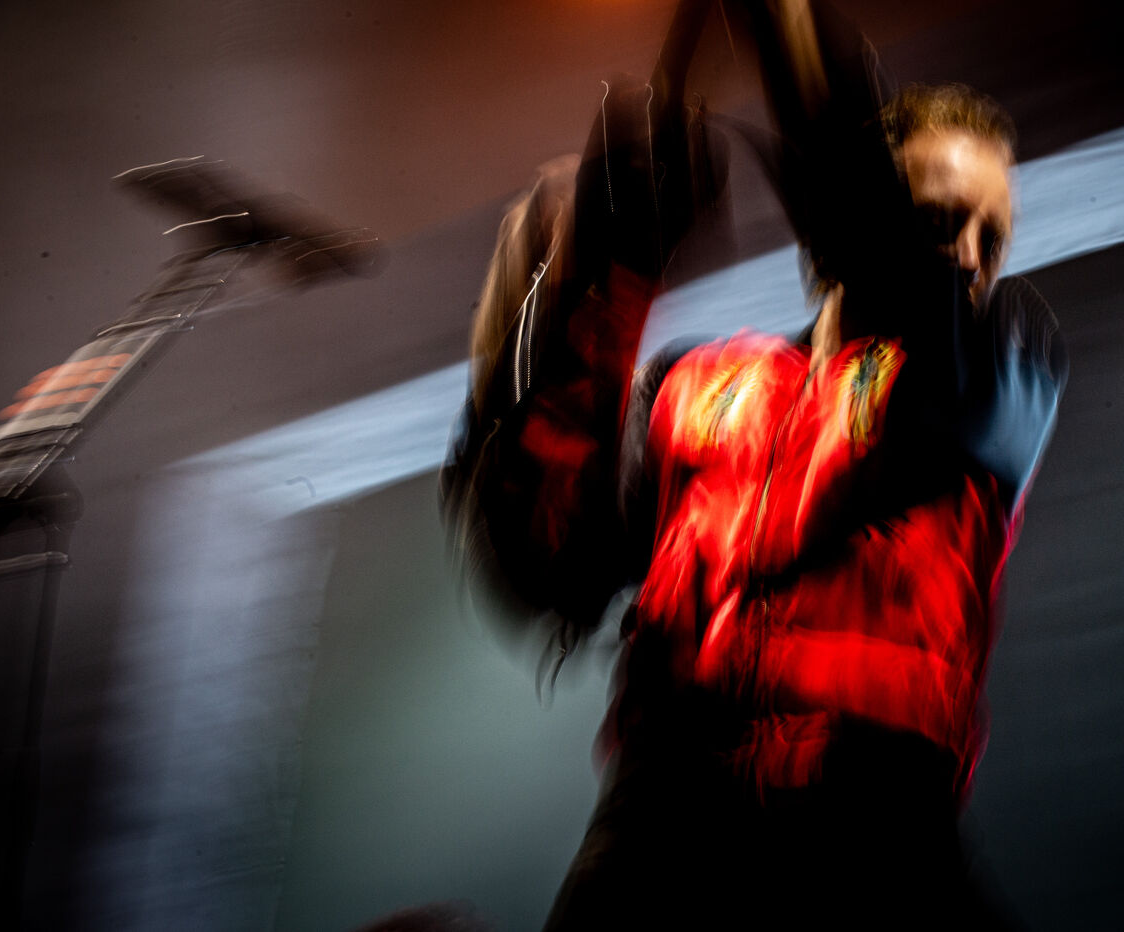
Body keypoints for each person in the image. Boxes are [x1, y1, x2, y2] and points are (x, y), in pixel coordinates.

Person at [443, 2, 1066, 927]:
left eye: (993, 236)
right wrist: (598, 290)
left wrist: (788, 25)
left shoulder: (1010, 370)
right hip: (661, 840)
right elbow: (548, 566)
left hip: (880, 843)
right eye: (942, 218)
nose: (972, 258)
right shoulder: (694, 386)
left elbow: (908, 313)